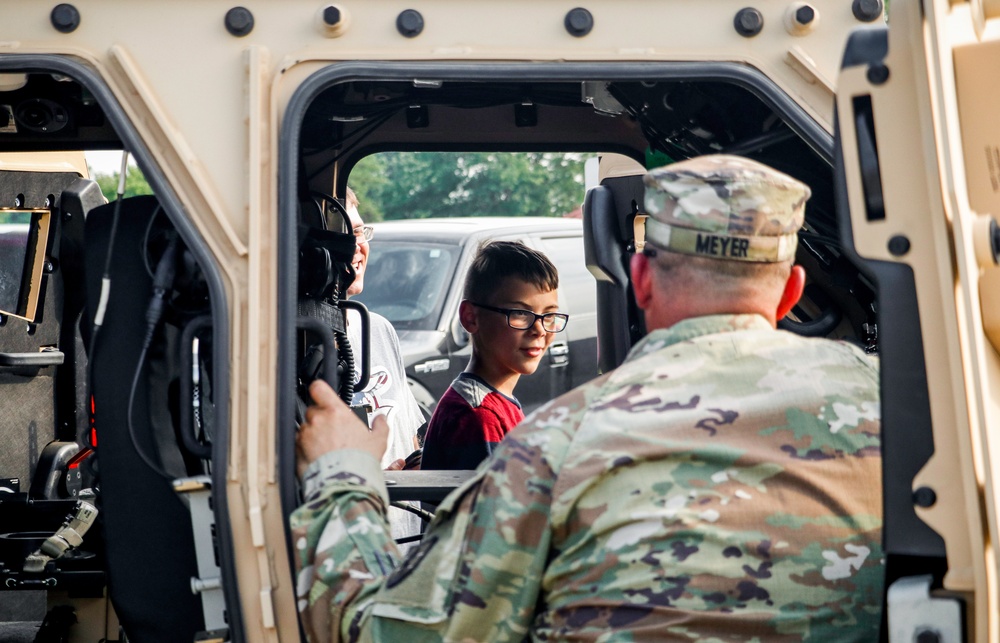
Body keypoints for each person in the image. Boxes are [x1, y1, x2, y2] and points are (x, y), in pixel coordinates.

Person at [293, 155, 882, 642]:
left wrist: (341, 475)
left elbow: (386, 633)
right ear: (791, 293)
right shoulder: (894, 409)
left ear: (641, 281)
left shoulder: (556, 445)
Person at [420, 240, 565, 470]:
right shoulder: (479, 415)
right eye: (520, 313)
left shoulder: (493, 403)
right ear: (471, 318)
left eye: (549, 315)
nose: (539, 329)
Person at [341, 187, 425, 538]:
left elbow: (409, 435)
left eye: (361, 232)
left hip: (404, 547)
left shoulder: (376, 329)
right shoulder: (286, 343)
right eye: (347, 234)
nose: (359, 246)